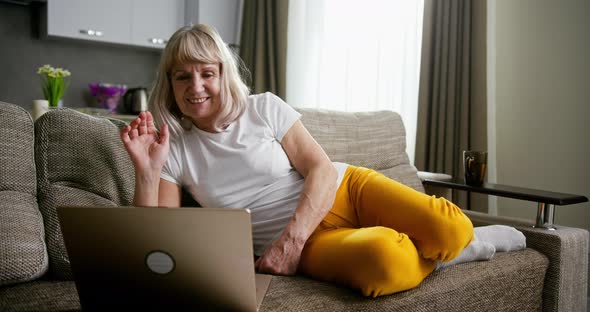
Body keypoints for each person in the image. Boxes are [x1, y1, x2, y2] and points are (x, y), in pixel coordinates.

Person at [120, 24, 477, 298]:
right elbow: (158, 243)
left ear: (223, 74)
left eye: (206, 73)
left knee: (454, 229)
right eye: (183, 76)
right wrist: (147, 171)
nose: (195, 87)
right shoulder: (175, 148)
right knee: (386, 264)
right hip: (309, 246)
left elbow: (320, 169)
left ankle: (446, 244)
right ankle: (436, 253)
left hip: (344, 191)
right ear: (169, 84)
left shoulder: (263, 108)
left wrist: (290, 242)